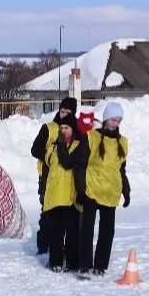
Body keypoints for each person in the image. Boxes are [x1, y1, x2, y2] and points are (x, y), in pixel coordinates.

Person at [78, 102, 129, 278]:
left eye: (118, 120)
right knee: (87, 229)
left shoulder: (123, 142)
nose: (116, 123)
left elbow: (121, 169)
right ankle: (84, 265)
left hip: (111, 191)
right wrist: (80, 189)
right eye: (114, 119)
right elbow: (80, 165)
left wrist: (126, 190)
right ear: (106, 119)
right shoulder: (91, 137)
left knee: (108, 230)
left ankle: (100, 265)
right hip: (92, 189)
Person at [30, 96, 78, 255]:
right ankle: (43, 246)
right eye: (62, 111)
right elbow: (35, 149)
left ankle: (61, 248)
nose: (64, 114)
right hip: (47, 176)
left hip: (67, 180)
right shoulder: (49, 128)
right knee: (46, 213)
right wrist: (51, 155)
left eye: (68, 112)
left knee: (66, 217)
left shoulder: (75, 130)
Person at [40, 113, 86, 273]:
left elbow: (69, 164)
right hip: (54, 196)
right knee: (55, 232)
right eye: (61, 128)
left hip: (70, 196)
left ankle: (72, 262)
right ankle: (55, 261)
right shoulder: (53, 146)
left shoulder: (78, 146)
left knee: (72, 232)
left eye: (66, 128)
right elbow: (46, 165)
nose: (63, 130)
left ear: (73, 129)